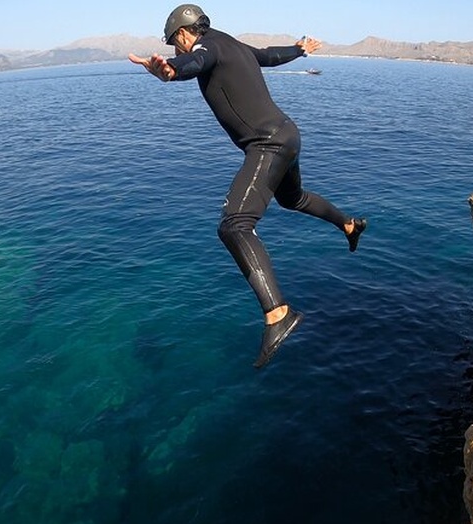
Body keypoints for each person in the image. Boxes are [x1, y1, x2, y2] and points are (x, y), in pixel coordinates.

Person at [129, 4, 366, 368]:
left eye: (174, 43)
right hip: (287, 134)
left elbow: (193, 63)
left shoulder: (205, 49)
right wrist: (299, 49)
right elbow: (269, 56)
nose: (176, 49)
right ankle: (349, 225)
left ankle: (278, 314)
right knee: (294, 198)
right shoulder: (232, 44)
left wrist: (171, 70)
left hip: (268, 142)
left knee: (234, 225)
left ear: (182, 33)